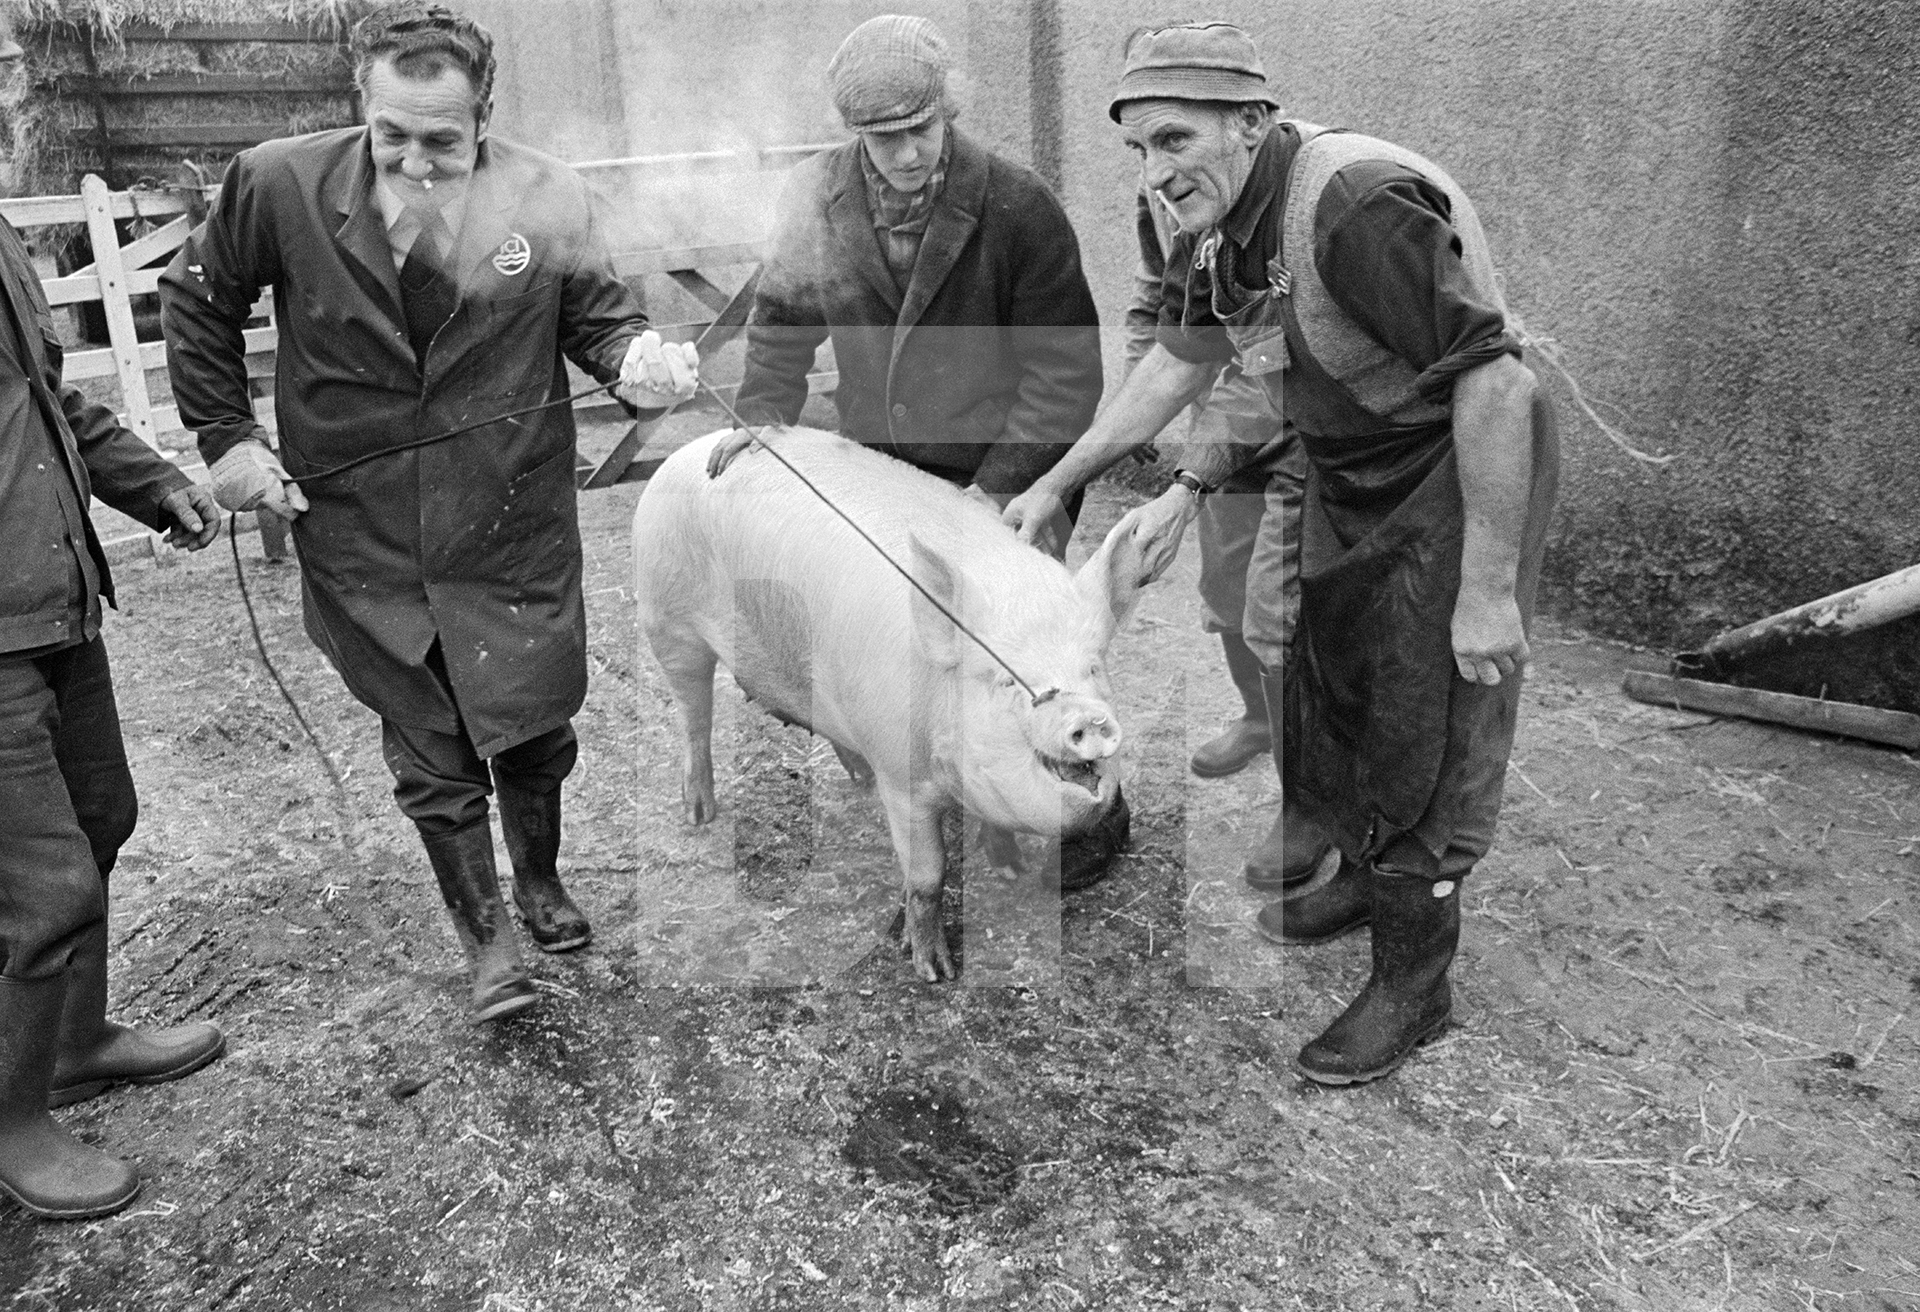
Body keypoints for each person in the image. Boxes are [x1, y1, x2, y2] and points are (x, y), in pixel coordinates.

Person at [1004, 21, 1558, 1084]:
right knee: (1325, 674)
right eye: (1141, 152)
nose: (1158, 174)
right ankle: (1360, 869)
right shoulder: (1216, 220)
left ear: (1254, 121)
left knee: (1423, 713)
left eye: (1176, 140)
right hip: (1349, 460)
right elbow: (1184, 362)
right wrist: (1060, 479)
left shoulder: (1349, 204)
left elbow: (1498, 385)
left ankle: (1415, 980)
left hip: (1451, 467)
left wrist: (1486, 587)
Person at [159, 2, 698, 1024]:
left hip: (508, 515)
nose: (415, 160)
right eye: (392, 133)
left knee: (535, 728)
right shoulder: (280, 182)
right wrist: (227, 440)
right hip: (359, 521)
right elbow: (198, 298)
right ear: (360, 107)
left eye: (442, 139)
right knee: (427, 741)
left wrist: (638, 360)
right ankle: (488, 939)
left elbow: (599, 317)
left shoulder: (546, 193)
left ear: (483, 117)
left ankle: (537, 880)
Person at [708, 14, 1125, 890]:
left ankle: (1084, 812)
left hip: (1004, 470)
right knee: (920, 656)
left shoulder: (1019, 207)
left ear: (950, 111)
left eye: (918, 130)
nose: (901, 153)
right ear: (851, 133)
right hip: (886, 471)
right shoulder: (815, 198)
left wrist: (1004, 488)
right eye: (880, 137)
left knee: (1029, 656)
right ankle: (950, 790)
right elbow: (781, 320)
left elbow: (1063, 373)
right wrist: (760, 424)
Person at [0, 12, 227, 1219]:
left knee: (101, 817)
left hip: (50, 603)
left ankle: (73, 1044)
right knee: (38, 891)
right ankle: (12, 1118)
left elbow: (56, 413)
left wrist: (160, 485)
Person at [1125, 182, 1311, 893]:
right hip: (1222, 411)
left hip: (1289, 413)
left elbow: (1276, 363)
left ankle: (1307, 803)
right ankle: (1257, 718)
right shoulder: (1160, 184)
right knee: (1226, 589)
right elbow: (1158, 288)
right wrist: (1143, 389)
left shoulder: (1274, 198)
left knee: (1277, 614)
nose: (1161, 167)